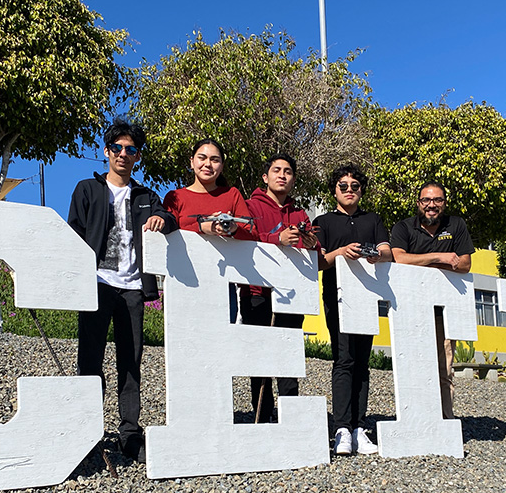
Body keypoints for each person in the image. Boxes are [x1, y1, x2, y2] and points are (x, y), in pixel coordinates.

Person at [67, 120, 177, 463]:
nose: (123, 155)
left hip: (132, 289)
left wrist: (162, 219)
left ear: (137, 157)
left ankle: (130, 433)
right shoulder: (87, 189)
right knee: (90, 360)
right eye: (117, 148)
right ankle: (87, 432)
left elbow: (170, 219)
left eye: (131, 150)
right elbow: (74, 233)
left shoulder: (146, 196)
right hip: (97, 284)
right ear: (106, 152)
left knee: (131, 363)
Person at [313, 164, 391, 455]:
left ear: (361, 190)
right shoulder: (323, 221)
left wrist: (373, 253)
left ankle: (359, 428)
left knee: (362, 362)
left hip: (367, 296)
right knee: (343, 359)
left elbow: (388, 251)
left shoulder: (373, 219)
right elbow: (318, 262)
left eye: (354, 186)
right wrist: (339, 253)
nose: (349, 190)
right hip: (337, 297)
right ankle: (342, 429)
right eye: (343, 185)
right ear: (335, 190)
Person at [240, 153, 319, 423]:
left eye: (287, 171)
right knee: (260, 357)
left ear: (293, 179)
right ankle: (261, 415)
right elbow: (244, 240)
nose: (282, 175)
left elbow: (316, 249)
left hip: (292, 295)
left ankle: (291, 416)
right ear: (266, 177)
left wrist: (310, 243)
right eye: (277, 170)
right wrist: (277, 238)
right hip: (256, 293)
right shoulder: (250, 206)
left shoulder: (299, 213)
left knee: (288, 356)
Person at [390, 182, 474, 420]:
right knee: (412, 366)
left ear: (444, 203)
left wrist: (424, 262)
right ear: (419, 203)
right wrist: (441, 257)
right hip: (409, 309)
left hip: (444, 312)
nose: (431, 205)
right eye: (426, 200)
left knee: (444, 369)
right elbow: (400, 260)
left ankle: (446, 419)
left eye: (437, 200)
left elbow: (465, 264)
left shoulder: (456, 225)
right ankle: (415, 418)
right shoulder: (404, 227)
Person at [162, 139, 256, 240]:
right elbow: (167, 233)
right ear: (192, 162)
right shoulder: (175, 197)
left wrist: (234, 229)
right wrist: (200, 227)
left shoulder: (232, 194)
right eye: (202, 158)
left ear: (221, 167)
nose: (208, 164)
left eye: (214, 160)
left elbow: (253, 235)